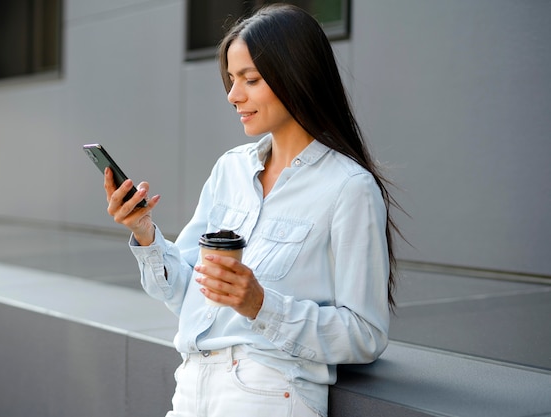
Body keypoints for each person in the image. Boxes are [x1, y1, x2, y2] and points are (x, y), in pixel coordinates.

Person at [104, 4, 400, 416]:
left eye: (251, 79)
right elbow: (186, 293)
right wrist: (145, 233)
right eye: (231, 79)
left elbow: (365, 335)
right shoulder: (230, 169)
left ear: (295, 77)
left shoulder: (348, 188)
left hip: (268, 392)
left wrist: (261, 305)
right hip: (191, 386)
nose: (233, 95)